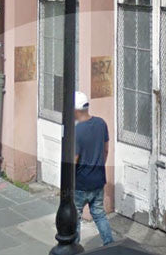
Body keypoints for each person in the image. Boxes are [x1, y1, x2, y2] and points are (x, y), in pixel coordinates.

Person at [74, 90, 114, 245]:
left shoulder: (77, 132)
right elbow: (105, 150)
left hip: (81, 184)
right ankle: (109, 244)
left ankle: (74, 246)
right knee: (99, 214)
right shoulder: (101, 123)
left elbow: (74, 160)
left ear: (75, 110)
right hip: (98, 180)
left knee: (75, 216)